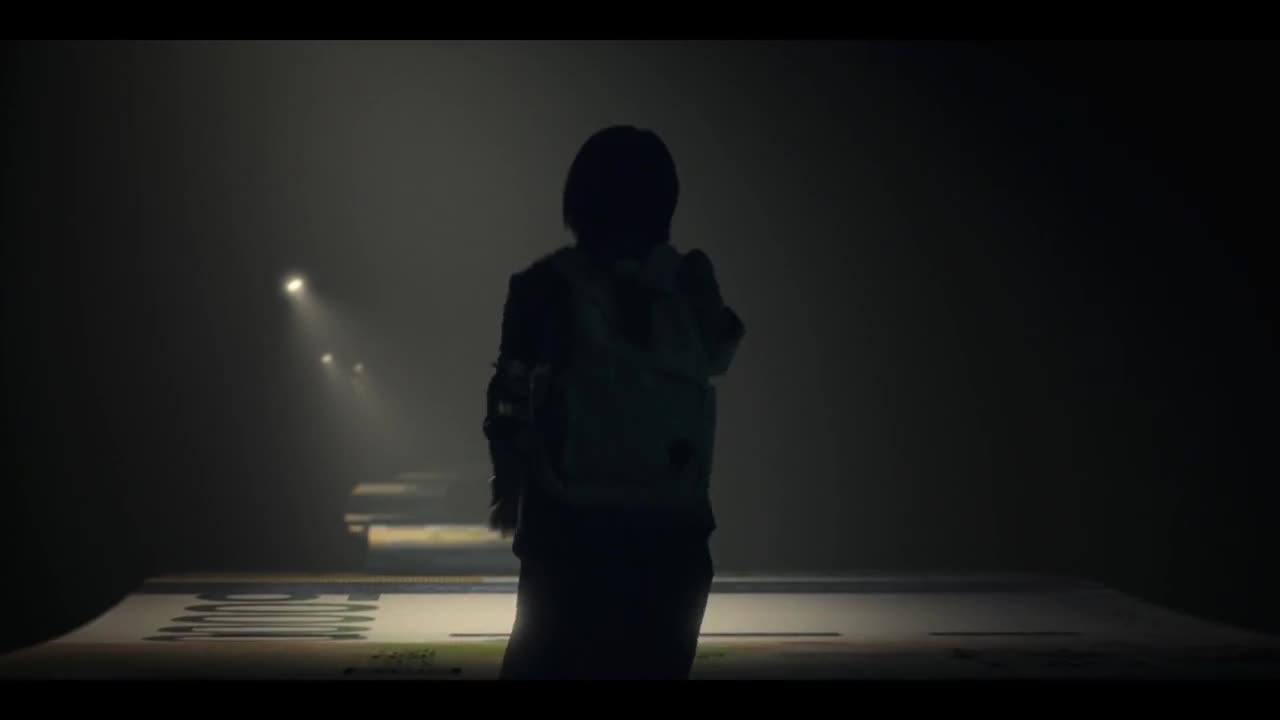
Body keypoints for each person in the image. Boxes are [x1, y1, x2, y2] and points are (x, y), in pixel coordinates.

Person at [483, 125, 744, 680]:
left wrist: (507, 483)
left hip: (569, 534)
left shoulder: (543, 286)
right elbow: (720, 352)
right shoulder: (687, 282)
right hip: (672, 533)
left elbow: (508, 398)